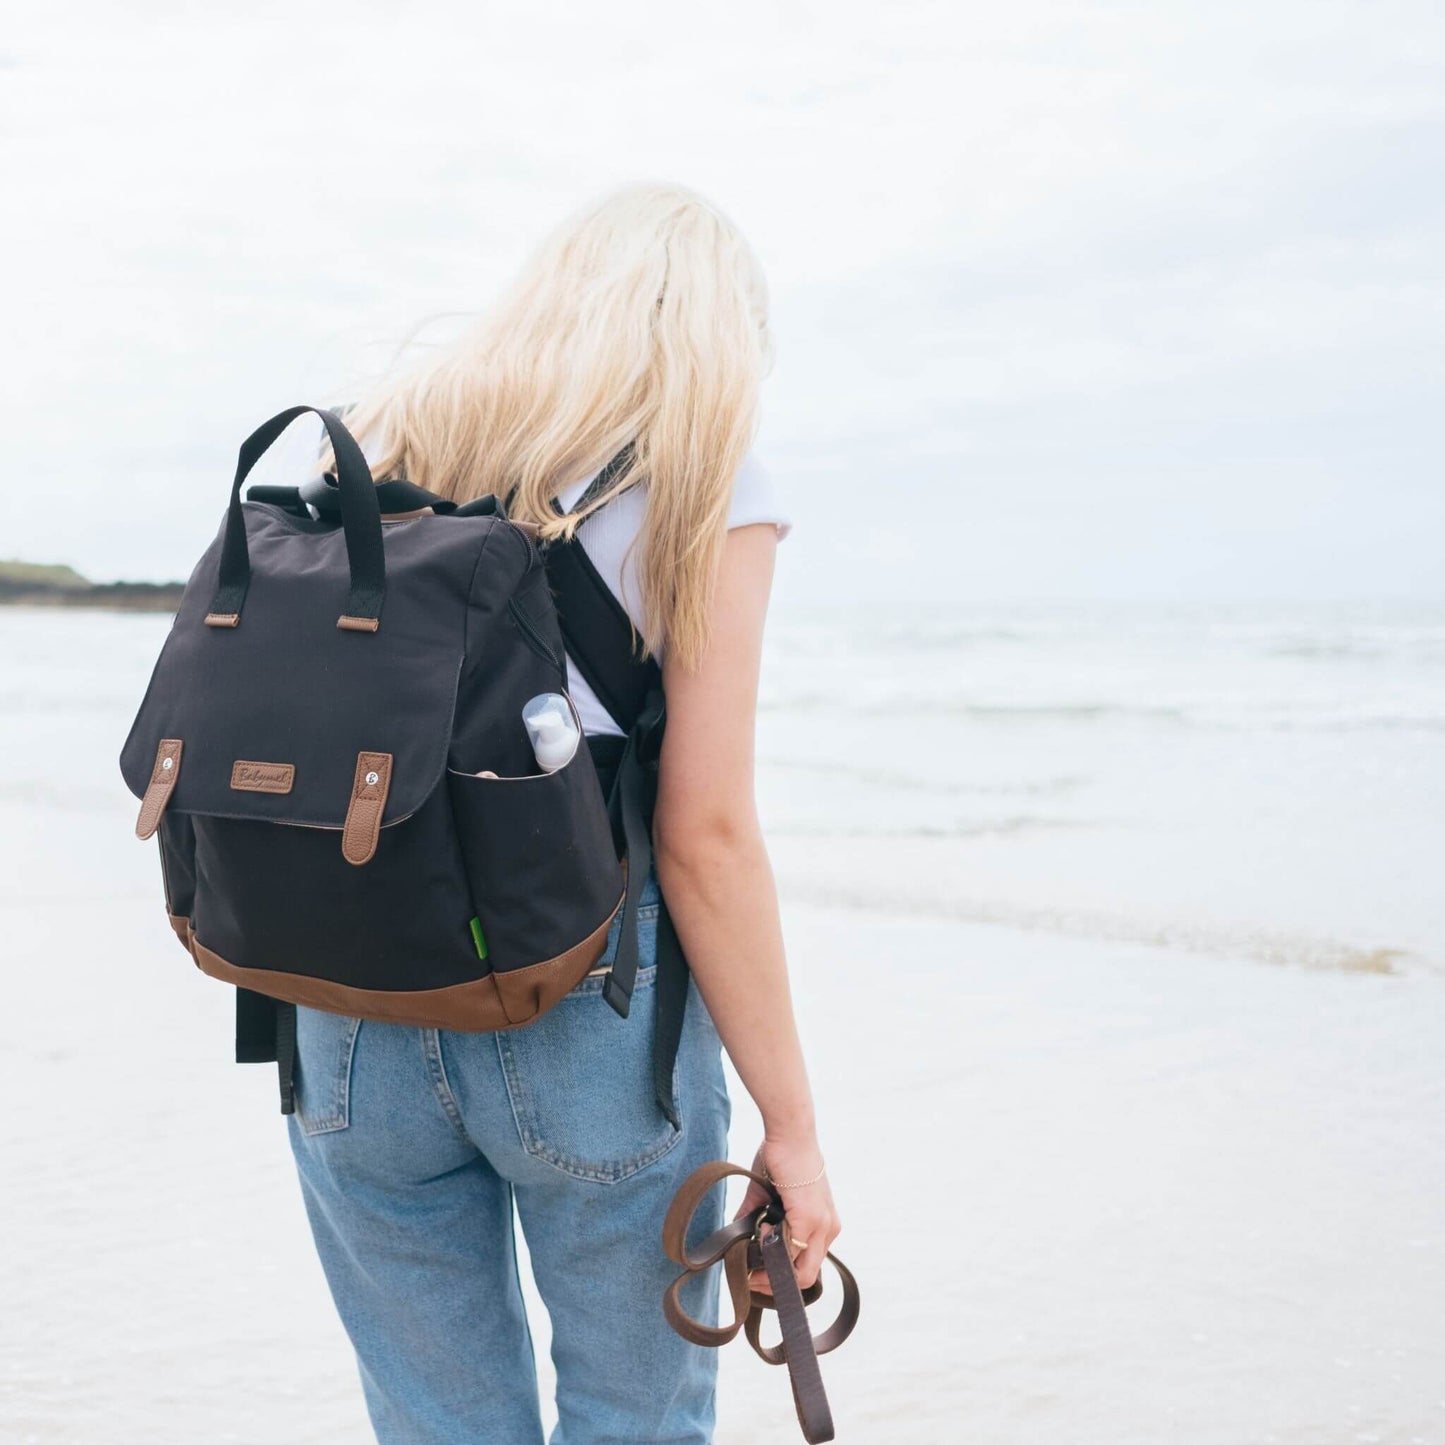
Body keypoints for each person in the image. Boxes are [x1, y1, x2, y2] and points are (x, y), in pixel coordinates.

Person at [285, 183, 840, 1445]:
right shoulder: (703, 481)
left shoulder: (371, 438)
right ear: (710, 333)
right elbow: (703, 836)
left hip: (347, 1012)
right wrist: (791, 1131)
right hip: (585, 1011)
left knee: (435, 1425)